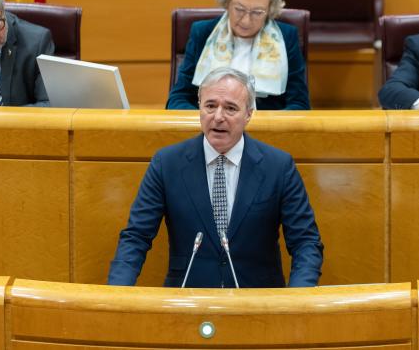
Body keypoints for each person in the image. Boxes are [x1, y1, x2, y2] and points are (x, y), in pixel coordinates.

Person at [109, 67, 323, 288]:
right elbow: (136, 237)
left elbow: (306, 243)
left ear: (248, 114)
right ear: (199, 106)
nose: (218, 117)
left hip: (258, 303)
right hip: (188, 299)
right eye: (210, 106)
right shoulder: (167, 163)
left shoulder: (278, 166)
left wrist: (298, 301)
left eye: (230, 108)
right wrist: (117, 295)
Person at [166, 0, 310, 110]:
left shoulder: (286, 37)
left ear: (270, 8)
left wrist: (266, 126)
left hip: (263, 131)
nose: (246, 21)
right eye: (239, 9)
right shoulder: (202, 33)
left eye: (257, 12)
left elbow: (299, 104)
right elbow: (178, 98)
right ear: (227, 1)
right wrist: (207, 122)